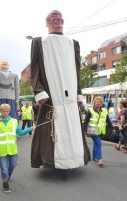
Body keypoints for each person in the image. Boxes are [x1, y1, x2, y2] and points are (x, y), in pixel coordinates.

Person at [30, 10, 90, 170]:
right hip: (52, 97)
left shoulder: (73, 43)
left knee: (72, 132)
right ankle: (51, 161)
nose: (57, 19)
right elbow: (34, 69)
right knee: (51, 132)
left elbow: (77, 70)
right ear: (47, 22)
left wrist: (78, 93)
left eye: (59, 17)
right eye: (53, 17)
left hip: (70, 99)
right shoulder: (39, 42)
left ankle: (74, 160)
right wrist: (39, 91)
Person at [0, 103, 35, 193]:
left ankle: (8, 174)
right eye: (3, 111)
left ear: (9, 111)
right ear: (0, 111)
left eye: (7, 111)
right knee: (4, 168)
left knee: (13, 165)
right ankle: (5, 183)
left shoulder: (14, 121)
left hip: (12, 149)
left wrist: (31, 128)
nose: (5, 113)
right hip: (2, 150)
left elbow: (20, 132)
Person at [83, 96, 115, 167]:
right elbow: (86, 122)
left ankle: (94, 157)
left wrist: (112, 128)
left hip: (101, 131)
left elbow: (108, 121)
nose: (98, 103)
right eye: (97, 102)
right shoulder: (90, 110)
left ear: (101, 103)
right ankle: (100, 159)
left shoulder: (104, 111)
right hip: (93, 130)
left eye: (100, 102)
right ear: (94, 103)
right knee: (98, 143)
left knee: (96, 144)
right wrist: (84, 131)